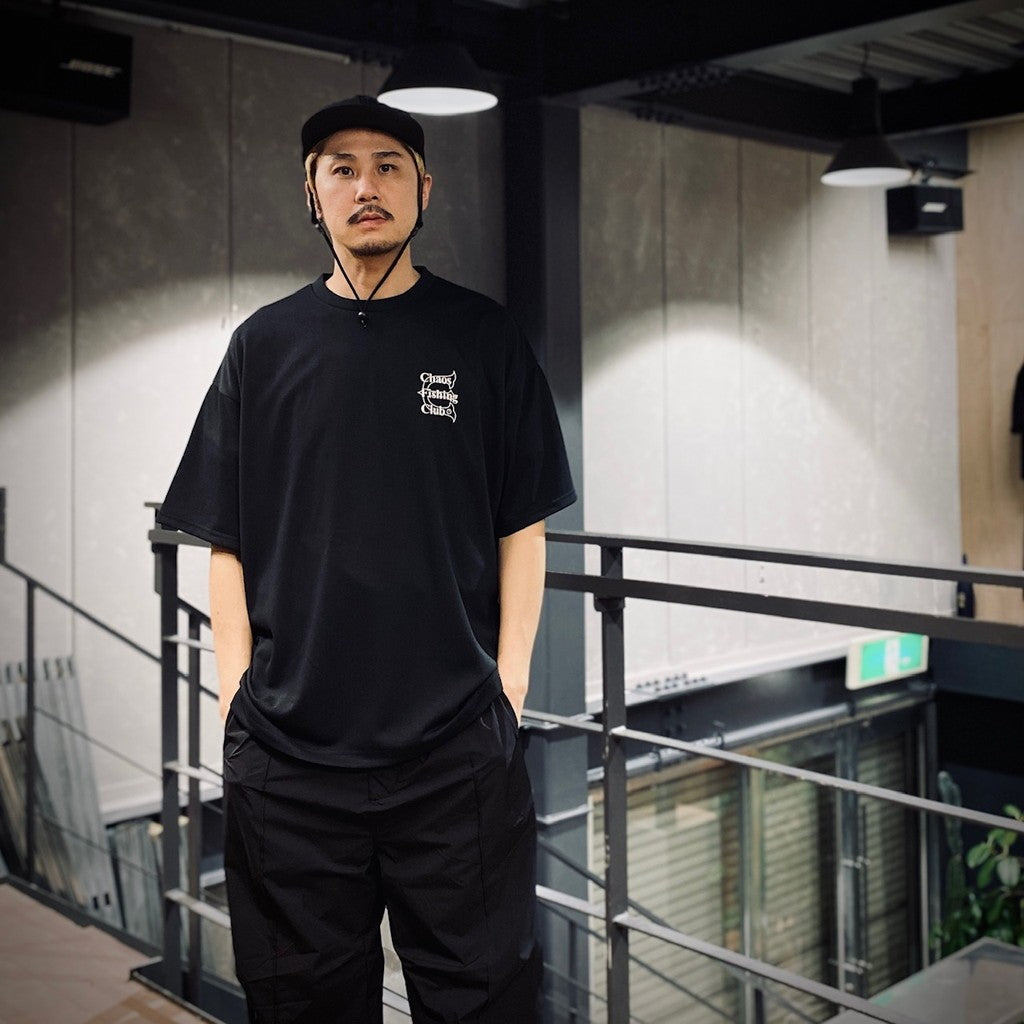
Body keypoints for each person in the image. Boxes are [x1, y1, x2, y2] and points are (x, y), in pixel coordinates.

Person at [155, 95, 577, 1024]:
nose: (366, 186)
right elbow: (225, 538)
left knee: (484, 1003)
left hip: (455, 755)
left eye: (388, 166)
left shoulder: (485, 339)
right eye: (341, 169)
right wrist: (234, 699)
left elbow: (524, 525)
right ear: (312, 194)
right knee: (302, 1005)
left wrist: (507, 690)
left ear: (425, 188)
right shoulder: (263, 346)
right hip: (290, 762)